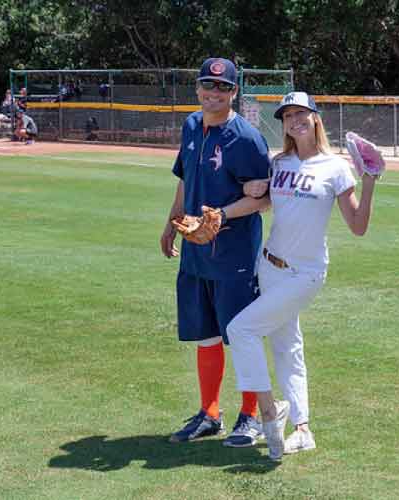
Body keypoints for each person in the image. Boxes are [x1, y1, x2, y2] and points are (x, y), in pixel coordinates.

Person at [226, 91, 379, 460]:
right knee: (288, 347)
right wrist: (239, 198)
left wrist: (370, 178)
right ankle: (303, 429)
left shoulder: (336, 168)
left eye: (301, 113)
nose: (294, 120)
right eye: (287, 116)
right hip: (270, 266)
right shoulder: (278, 163)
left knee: (241, 329)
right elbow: (261, 202)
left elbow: (357, 226)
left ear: (315, 118)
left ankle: (270, 410)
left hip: (305, 274)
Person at [160, 57, 271, 447]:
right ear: (197, 87)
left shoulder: (246, 139)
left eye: (223, 87)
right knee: (205, 334)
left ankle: (252, 416)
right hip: (194, 252)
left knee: (241, 335)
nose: (214, 92)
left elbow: (262, 199)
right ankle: (209, 413)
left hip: (233, 256)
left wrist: (221, 216)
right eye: (208, 85)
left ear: (234, 93)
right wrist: (171, 222)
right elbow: (185, 178)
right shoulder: (191, 125)